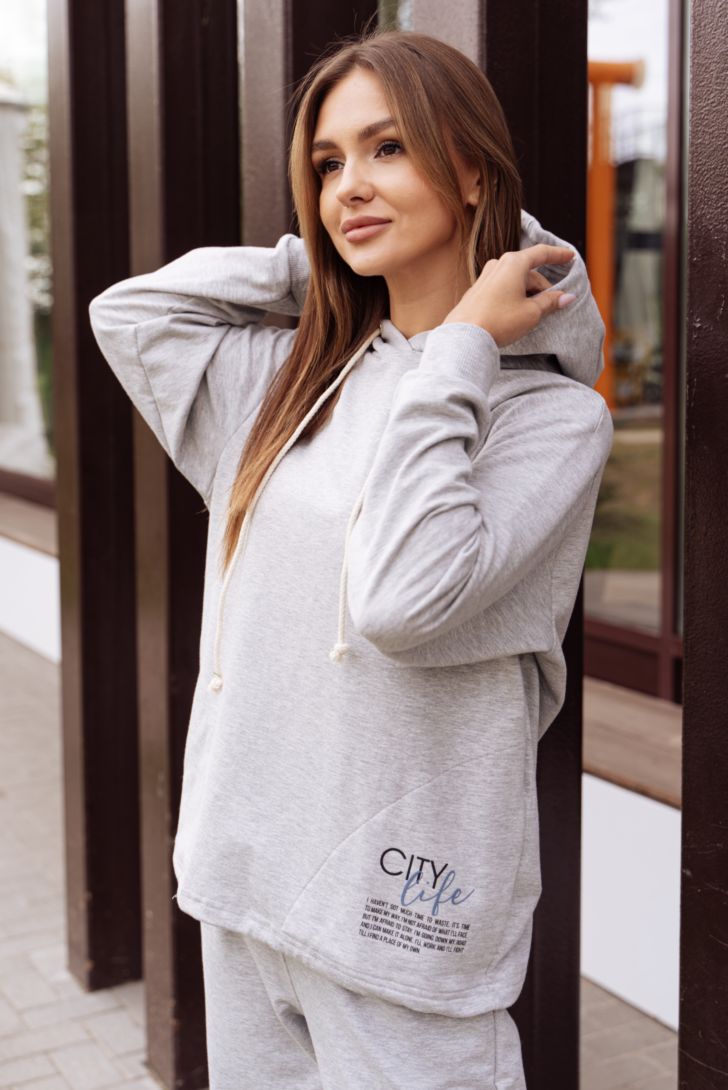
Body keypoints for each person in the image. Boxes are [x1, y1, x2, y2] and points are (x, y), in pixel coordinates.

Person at [88, 26, 613, 1090]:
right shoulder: (286, 381)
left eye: (388, 148)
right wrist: (321, 260)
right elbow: (131, 312)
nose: (348, 187)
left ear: (473, 171)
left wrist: (463, 342)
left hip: (400, 918)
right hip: (246, 884)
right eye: (327, 165)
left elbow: (402, 601)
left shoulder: (550, 420)